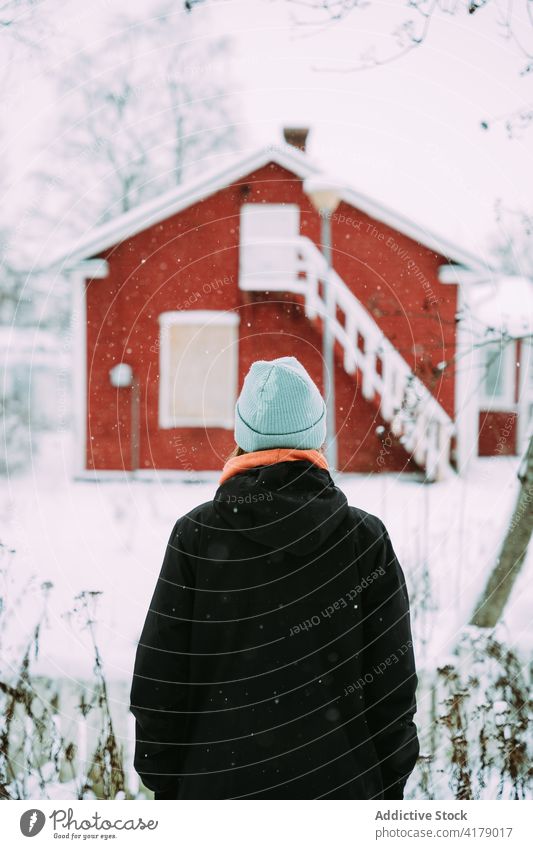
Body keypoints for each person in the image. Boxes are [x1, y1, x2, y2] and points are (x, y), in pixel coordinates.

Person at [130, 355, 419, 799]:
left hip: (215, 793)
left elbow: (159, 679)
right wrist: (384, 785)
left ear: (243, 437)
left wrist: (171, 784)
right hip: (339, 792)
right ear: (315, 435)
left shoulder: (197, 536)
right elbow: (392, 684)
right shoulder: (364, 540)